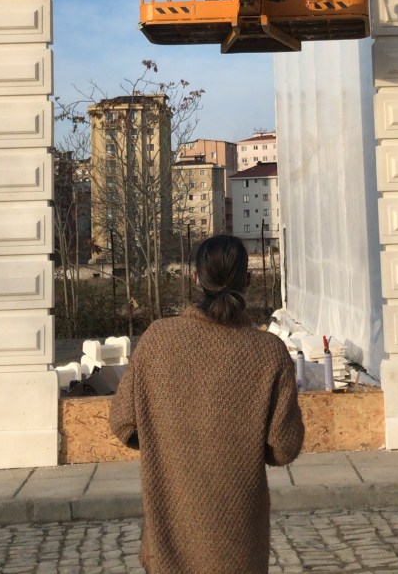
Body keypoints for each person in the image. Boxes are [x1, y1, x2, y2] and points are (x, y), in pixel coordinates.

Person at [109, 234, 304, 574]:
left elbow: (124, 423)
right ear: (248, 279)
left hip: (170, 536)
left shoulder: (157, 339)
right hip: (238, 541)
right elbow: (283, 447)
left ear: (195, 278)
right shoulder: (268, 351)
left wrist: (168, 443)